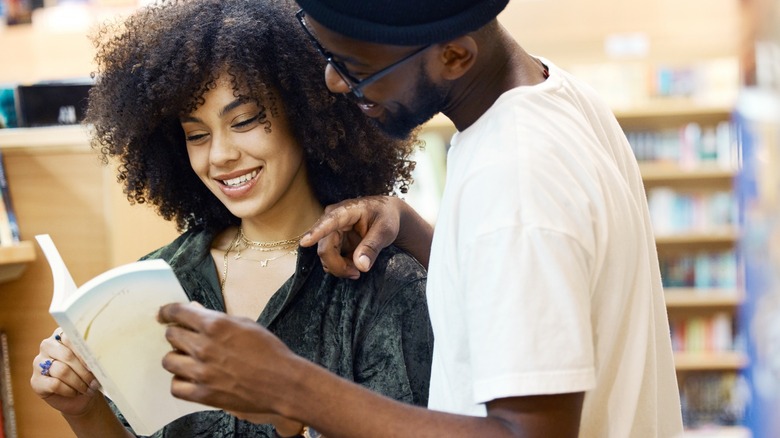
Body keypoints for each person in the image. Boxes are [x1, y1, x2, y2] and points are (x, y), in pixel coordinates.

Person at [157, 0, 685, 436]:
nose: (334, 83)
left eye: (355, 67)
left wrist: (291, 387)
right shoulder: (557, 97)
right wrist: (413, 229)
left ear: (454, 55)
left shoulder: (514, 178)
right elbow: (535, 292)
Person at [29, 0, 434, 437]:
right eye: (197, 135)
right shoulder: (157, 279)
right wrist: (84, 410)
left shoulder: (383, 285)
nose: (220, 155)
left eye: (243, 121)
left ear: (306, 114)